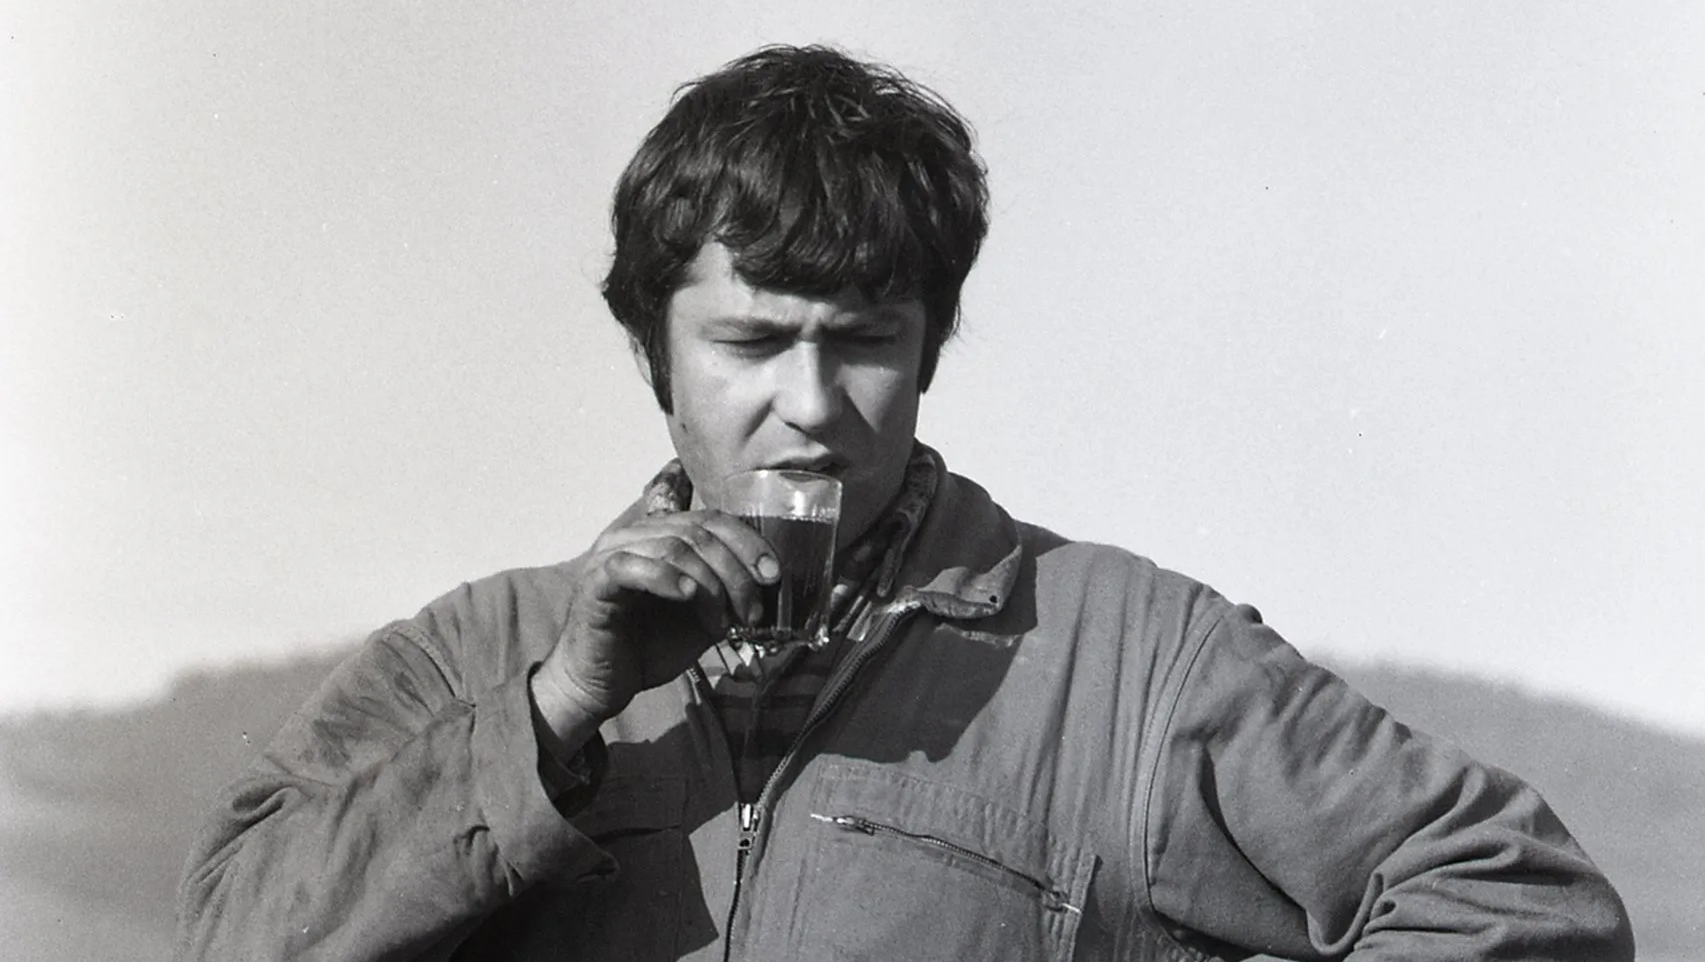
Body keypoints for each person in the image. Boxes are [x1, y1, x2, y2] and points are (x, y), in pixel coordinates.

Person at [177, 45, 1634, 962]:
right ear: (652, 350)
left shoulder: (1136, 662)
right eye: (752, 342)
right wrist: (558, 705)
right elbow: (236, 937)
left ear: (928, 350)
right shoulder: (474, 655)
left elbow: (1519, 898)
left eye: (865, 340)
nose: (811, 403)